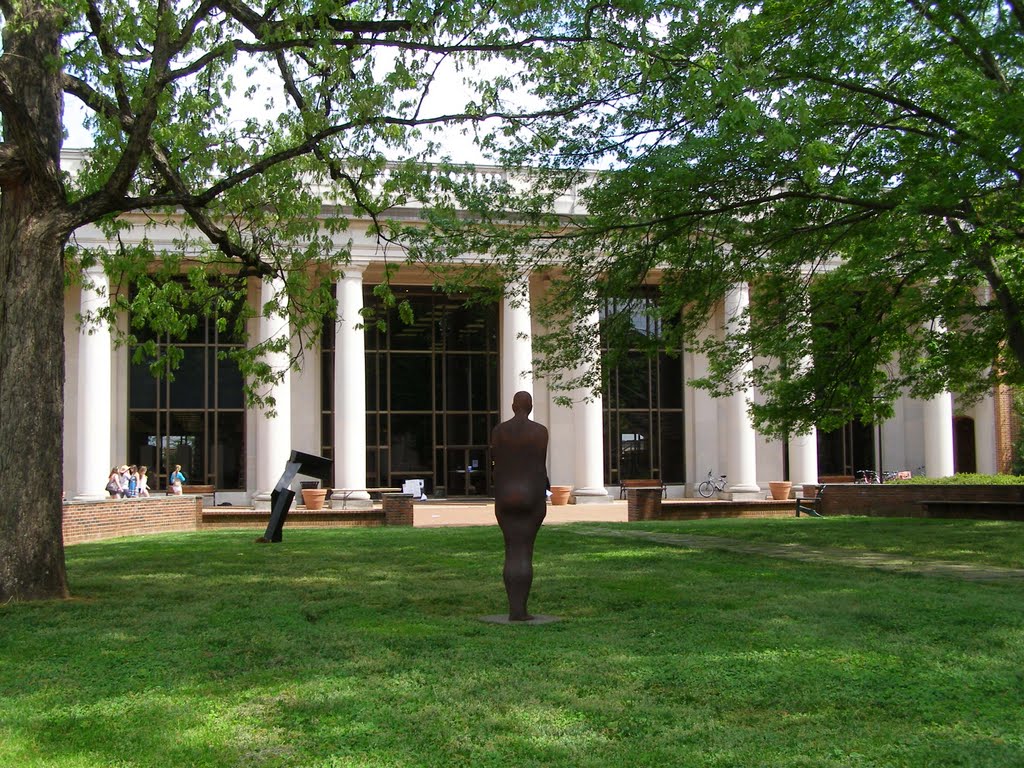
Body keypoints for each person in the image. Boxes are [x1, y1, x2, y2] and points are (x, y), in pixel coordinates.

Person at [490, 391, 550, 621]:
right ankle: (520, 611)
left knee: (512, 549)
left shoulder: (499, 431)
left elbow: (498, 461)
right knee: (524, 551)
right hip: (530, 493)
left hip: (505, 493)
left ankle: (515, 609)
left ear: (513, 406)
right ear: (531, 406)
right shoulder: (540, 432)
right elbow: (538, 464)